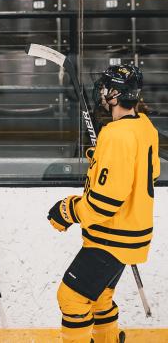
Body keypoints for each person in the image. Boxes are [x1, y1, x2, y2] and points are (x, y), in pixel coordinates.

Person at [47, 65, 159, 343]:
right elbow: (149, 173)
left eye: (107, 87)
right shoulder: (145, 127)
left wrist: (66, 210)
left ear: (117, 94)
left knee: (70, 298)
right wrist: (103, 162)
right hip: (131, 233)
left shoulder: (115, 134)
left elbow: (104, 204)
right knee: (100, 297)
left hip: (111, 237)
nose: (102, 92)